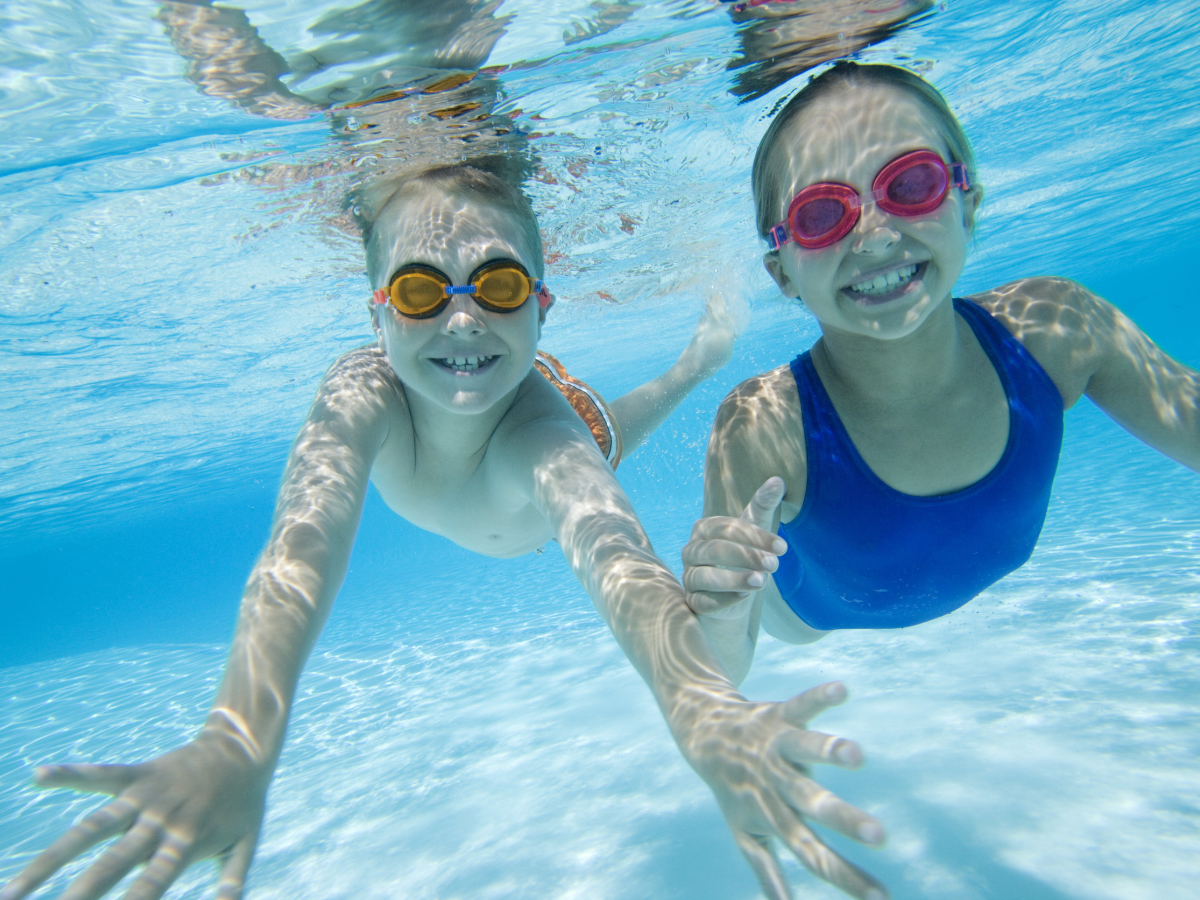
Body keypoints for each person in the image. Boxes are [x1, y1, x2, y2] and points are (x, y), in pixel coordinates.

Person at [0, 163, 885, 900]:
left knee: (614, 430)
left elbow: (620, 558)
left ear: (542, 303)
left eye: (499, 285)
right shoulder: (360, 395)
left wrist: (702, 707)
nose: (463, 318)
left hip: (552, 432)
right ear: (376, 311)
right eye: (422, 291)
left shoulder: (548, 441)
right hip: (517, 446)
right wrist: (239, 737)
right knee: (603, 434)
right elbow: (299, 545)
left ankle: (700, 358)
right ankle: (694, 355)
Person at [680, 60, 1200, 898]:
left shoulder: (1058, 330)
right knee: (752, 610)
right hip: (807, 615)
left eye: (910, 184)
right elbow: (721, 666)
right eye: (822, 214)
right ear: (782, 271)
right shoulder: (763, 424)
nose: (874, 234)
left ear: (968, 200)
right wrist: (718, 609)